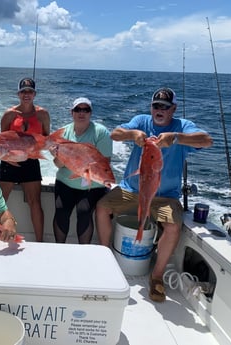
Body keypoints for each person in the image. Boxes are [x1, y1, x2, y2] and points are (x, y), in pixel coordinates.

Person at [95, 87, 213, 302]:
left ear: (173, 109)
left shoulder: (182, 127)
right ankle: (105, 255)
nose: (159, 110)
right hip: (132, 190)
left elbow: (206, 140)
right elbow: (115, 134)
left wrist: (176, 138)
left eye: (165, 107)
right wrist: (133, 134)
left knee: (173, 226)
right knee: (103, 208)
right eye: (155, 106)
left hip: (166, 196)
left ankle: (157, 276)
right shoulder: (141, 121)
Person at [49, 97, 112, 244]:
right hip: (65, 182)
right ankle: (59, 248)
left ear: (91, 113)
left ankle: (84, 250)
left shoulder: (101, 132)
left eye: (86, 110)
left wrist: (83, 168)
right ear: (72, 113)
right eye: (78, 109)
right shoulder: (63, 132)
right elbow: (59, 165)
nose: (81, 113)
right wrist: (58, 154)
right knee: (61, 213)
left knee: (84, 213)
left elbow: (105, 164)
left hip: (92, 184)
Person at [0, 77, 50, 242]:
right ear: (18, 94)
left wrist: (35, 149)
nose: (27, 94)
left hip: (31, 161)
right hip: (9, 162)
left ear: (35, 94)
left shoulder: (43, 114)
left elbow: (46, 138)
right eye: (23, 91)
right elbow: (3, 139)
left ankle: (40, 241)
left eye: (30, 91)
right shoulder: (9, 114)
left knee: (35, 202)